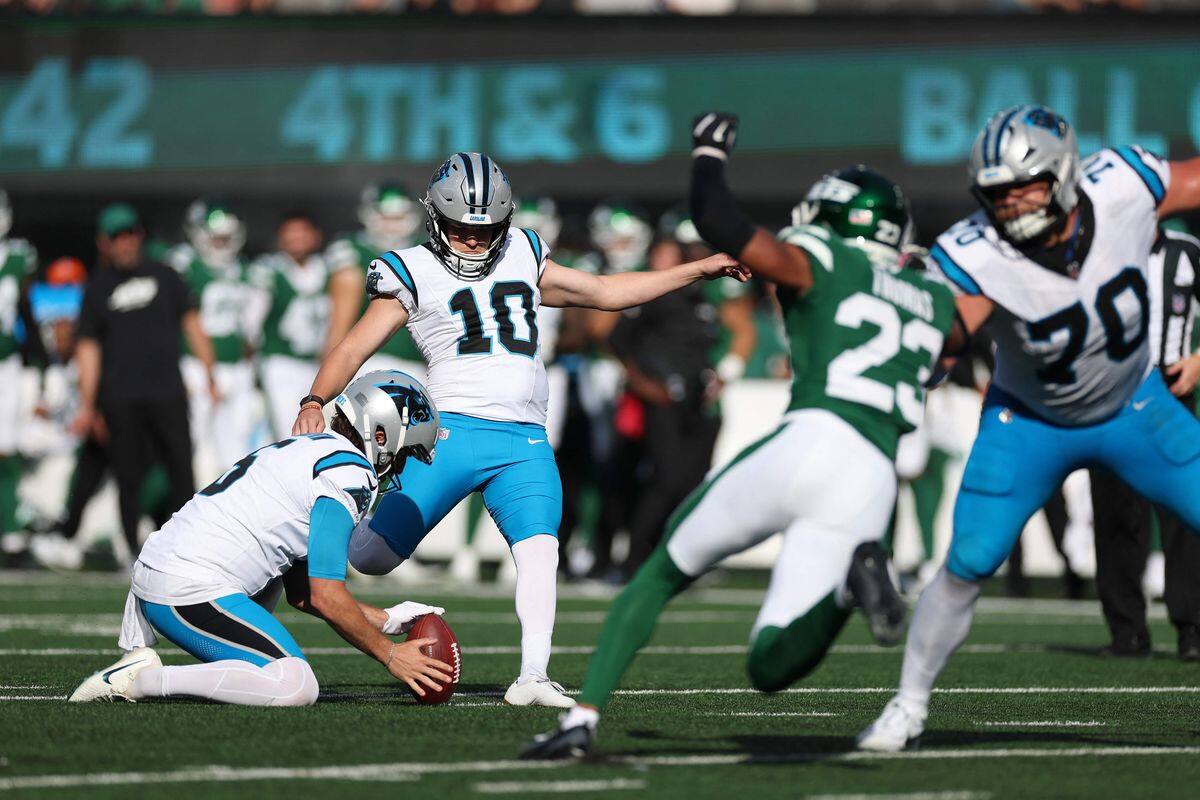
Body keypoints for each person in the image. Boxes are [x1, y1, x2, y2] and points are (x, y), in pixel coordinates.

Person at [520, 112, 959, 759]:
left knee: (658, 574)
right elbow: (946, 356)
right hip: (871, 479)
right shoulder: (935, 297)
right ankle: (846, 592)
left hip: (811, 437)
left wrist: (707, 154)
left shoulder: (822, 258)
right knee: (768, 667)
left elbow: (719, 221)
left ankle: (580, 721)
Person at [292, 152, 745, 708]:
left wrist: (696, 269)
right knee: (371, 558)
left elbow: (605, 291)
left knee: (539, 551)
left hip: (524, 439)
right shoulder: (411, 269)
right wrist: (316, 398)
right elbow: (354, 346)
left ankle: (533, 673)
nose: (473, 240)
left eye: (484, 228)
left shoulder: (523, 253)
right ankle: (301, 554)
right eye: (460, 228)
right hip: (448, 436)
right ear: (435, 217)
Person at [858, 104, 1200, 752]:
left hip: (1137, 406)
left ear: (1065, 173)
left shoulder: (1124, 183)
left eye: (1024, 186)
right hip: (1029, 421)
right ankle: (907, 705)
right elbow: (949, 336)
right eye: (996, 193)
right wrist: (926, 342)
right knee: (969, 560)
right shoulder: (975, 251)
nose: (1010, 205)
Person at [68, 370, 452, 706]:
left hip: (170, 571)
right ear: (380, 433)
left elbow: (301, 592)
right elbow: (326, 595)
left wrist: (387, 620)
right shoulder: (351, 474)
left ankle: (156, 666)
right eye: (403, 453)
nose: (398, 465)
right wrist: (390, 655)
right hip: (187, 586)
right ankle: (145, 681)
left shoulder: (313, 449)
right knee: (296, 684)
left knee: (276, 616)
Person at [71, 203, 218, 558]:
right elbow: (88, 348)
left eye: (130, 235)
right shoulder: (97, 287)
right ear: (104, 244)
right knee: (128, 474)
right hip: (120, 395)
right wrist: (88, 404)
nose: (125, 244)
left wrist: (210, 372)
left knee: (182, 469)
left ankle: (187, 549)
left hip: (167, 390)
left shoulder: (166, 275)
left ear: (139, 236)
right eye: (116, 238)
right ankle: (131, 550)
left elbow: (192, 325)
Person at [1089, 223, 1200, 660]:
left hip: (1171, 399)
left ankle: (1193, 629)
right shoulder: (1097, 254)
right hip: (1110, 401)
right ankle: (1126, 631)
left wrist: (1197, 362)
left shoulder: (1187, 252)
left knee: (1185, 515)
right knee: (1116, 516)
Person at [168, 200, 259, 473]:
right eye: (215, 237)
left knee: (237, 450)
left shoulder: (246, 270)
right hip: (195, 365)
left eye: (225, 237)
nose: (221, 243)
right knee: (192, 443)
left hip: (236, 368)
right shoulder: (186, 264)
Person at [251, 210, 342, 440]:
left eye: (302, 232)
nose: (296, 238)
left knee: (322, 428)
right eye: (290, 233)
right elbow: (250, 321)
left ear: (315, 236)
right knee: (288, 429)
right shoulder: (270, 270)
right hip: (280, 362)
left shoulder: (328, 269)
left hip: (316, 363)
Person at [325, 182, 427, 379]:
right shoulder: (349, 251)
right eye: (385, 217)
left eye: (398, 217)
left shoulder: (424, 250)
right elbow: (339, 322)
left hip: (417, 363)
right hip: (365, 361)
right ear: (369, 215)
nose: (392, 224)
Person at [0, 190, 37, 545]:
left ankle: (9, 529)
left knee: (5, 446)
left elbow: (26, 311)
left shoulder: (17, 257)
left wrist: (39, 362)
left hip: (5, 364)